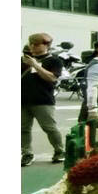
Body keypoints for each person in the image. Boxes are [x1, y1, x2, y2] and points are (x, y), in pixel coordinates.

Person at [21, 33, 65, 166]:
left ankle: (59, 151)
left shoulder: (54, 60)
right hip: (23, 100)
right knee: (23, 129)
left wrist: (36, 65)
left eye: (36, 43)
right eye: (31, 43)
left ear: (46, 45)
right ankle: (27, 153)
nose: (32, 46)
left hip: (43, 100)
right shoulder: (23, 60)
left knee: (49, 128)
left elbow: (52, 78)